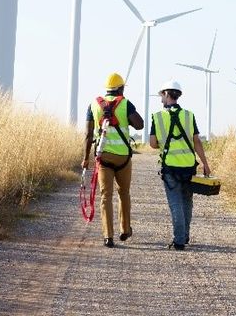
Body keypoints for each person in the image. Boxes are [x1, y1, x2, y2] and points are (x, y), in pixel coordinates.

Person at [83, 72, 145, 248]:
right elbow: (139, 124)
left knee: (105, 196)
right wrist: (125, 115)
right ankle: (125, 229)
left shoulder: (94, 105)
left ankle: (107, 236)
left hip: (103, 158)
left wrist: (85, 159)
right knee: (123, 193)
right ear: (121, 88)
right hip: (123, 157)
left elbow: (88, 134)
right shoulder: (125, 103)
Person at [148, 79, 212, 250]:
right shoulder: (189, 115)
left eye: (162, 95)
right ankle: (184, 236)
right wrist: (205, 164)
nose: (161, 98)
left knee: (175, 202)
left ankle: (179, 241)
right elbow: (197, 141)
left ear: (167, 94)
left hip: (170, 167)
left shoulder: (158, 117)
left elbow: (153, 144)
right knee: (187, 202)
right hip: (189, 166)